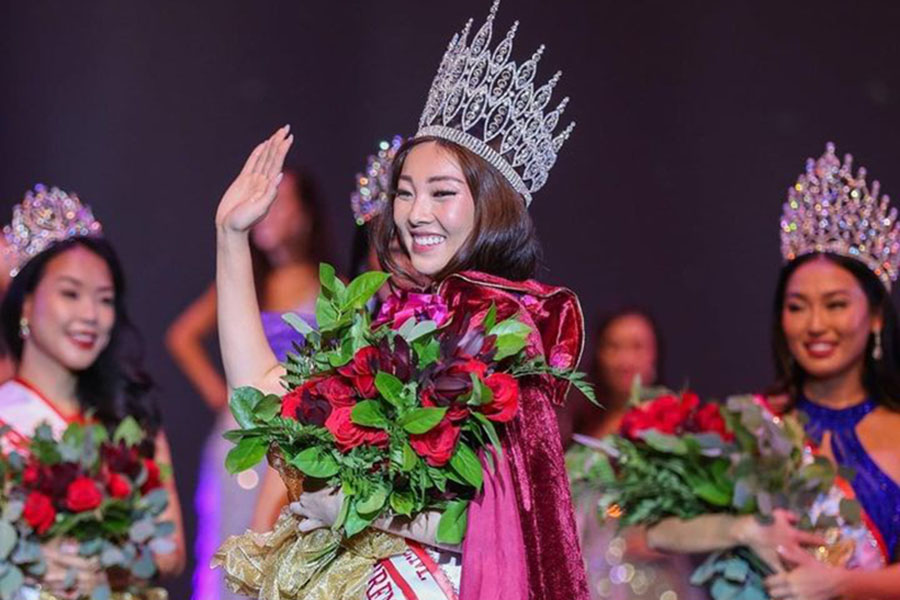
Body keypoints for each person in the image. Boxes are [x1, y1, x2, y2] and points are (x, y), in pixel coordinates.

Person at [213, 2, 590, 598]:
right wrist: (231, 240)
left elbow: (494, 524)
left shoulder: (511, 330)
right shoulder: (394, 322)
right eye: (406, 193)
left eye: (441, 192)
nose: (416, 214)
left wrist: (346, 505)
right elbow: (262, 394)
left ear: (491, 204)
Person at [646, 144, 900, 600]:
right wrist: (742, 528)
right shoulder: (757, 423)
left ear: (876, 316)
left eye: (836, 305)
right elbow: (658, 533)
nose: (816, 325)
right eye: (797, 307)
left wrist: (841, 582)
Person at [0, 185, 185, 597]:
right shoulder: (4, 415)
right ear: (26, 304)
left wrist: (104, 555)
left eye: (104, 300)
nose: (90, 315)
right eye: (70, 294)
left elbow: (172, 553)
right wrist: (29, 558)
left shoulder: (129, 415)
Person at [165, 166, 326, 600]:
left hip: (297, 443)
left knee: (278, 550)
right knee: (228, 546)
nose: (267, 214)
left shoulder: (329, 284)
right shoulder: (246, 283)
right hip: (242, 441)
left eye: (279, 202)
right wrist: (224, 396)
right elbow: (180, 335)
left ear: (306, 213)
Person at [569, 308, 705, 600]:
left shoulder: (670, 421)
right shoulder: (584, 422)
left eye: (636, 346)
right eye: (614, 346)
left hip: (647, 578)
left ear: (655, 355)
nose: (624, 359)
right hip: (588, 571)